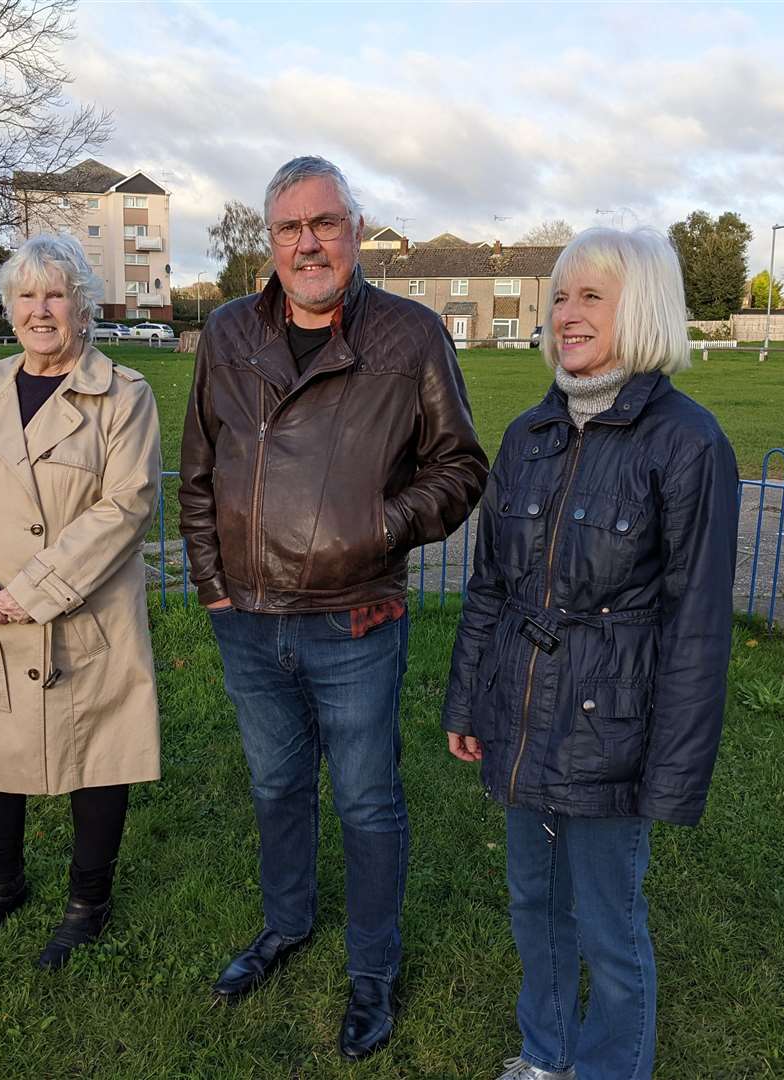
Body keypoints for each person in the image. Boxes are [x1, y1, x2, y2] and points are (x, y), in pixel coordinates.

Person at [180, 155, 488, 1060]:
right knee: (276, 788)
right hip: (249, 620)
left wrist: (380, 523)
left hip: (355, 620)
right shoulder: (228, 334)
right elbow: (197, 471)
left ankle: (372, 971)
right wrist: (212, 584)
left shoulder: (412, 337)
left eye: (325, 223)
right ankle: (285, 927)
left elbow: (463, 469)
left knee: (365, 802)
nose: (308, 242)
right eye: (289, 228)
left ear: (355, 230)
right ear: (268, 241)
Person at [442, 228, 738, 1080]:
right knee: (535, 907)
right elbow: (491, 587)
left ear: (639, 308)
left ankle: (611, 1068)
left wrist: (673, 773)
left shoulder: (687, 442)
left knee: (609, 926)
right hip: (523, 721)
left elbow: (696, 625)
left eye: (591, 296)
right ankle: (546, 1054)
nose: (566, 315)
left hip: (614, 732)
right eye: (560, 297)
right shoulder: (530, 433)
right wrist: (469, 702)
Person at [0, 232, 162, 971]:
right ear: (9, 308)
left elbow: (126, 505)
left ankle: (88, 903)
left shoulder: (124, 394)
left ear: (83, 307)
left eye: (55, 294)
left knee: (99, 759)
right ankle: (2, 888)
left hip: (83, 617)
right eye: (26, 296)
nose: (40, 310)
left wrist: (29, 595)